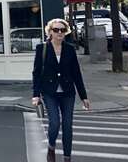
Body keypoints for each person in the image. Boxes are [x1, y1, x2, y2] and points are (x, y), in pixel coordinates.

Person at [32, 18, 90, 162]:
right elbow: (36, 73)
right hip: (49, 92)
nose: (59, 33)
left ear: (66, 32)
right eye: (56, 30)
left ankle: (67, 157)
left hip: (67, 92)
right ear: (50, 32)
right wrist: (36, 95)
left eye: (62, 30)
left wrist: (83, 96)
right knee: (55, 123)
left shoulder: (70, 49)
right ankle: (51, 147)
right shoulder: (42, 48)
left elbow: (76, 73)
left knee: (67, 125)